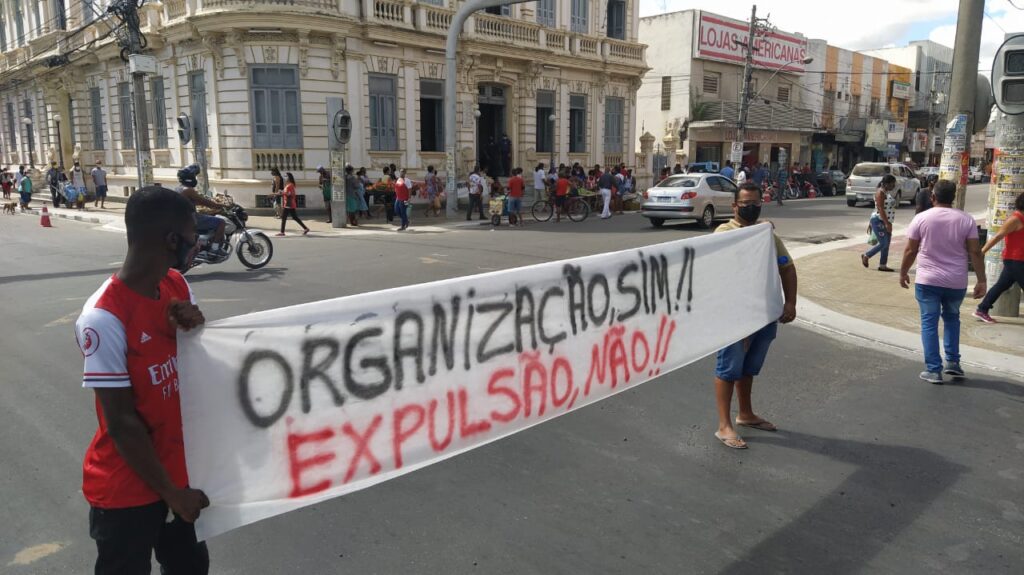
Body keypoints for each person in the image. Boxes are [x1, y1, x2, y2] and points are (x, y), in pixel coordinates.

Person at [75, 186, 210, 575]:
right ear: (171, 240)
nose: (196, 244)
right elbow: (121, 423)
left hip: (178, 477)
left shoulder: (175, 286)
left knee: (189, 568)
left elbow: (195, 364)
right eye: (191, 235)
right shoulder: (103, 318)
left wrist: (194, 325)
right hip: (127, 491)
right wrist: (171, 494)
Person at [712, 181, 798, 449]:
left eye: (755, 203)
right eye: (745, 203)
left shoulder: (768, 236)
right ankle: (723, 425)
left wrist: (790, 302)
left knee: (749, 367)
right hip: (734, 316)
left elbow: (787, 267)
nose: (751, 208)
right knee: (728, 367)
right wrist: (761, 231)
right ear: (735, 206)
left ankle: (745, 414)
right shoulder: (724, 232)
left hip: (764, 313)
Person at [899, 180, 986, 384]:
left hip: (928, 281)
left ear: (933, 197)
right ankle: (953, 363)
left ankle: (933, 369)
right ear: (953, 197)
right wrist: (982, 280)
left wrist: (903, 272)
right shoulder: (966, 220)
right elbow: (975, 251)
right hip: (956, 282)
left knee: (929, 323)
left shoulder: (922, 218)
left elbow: (910, 250)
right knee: (952, 319)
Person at [974, 191, 1024, 324]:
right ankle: (982, 309)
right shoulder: (1015, 219)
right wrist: (982, 252)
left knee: (1001, 286)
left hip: (1018, 260)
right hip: (1015, 260)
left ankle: (982, 309)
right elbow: (998, 236)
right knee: (1001, 285)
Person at [176, 165, 228, 255]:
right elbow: (204, 201)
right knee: (221, 222)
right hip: (191, 219)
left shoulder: (179, 189)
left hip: (182, 218)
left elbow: (194, 202)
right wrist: (220, 205)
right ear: (190, 178)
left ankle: (204, 244)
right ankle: (215, 248)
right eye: (194, 176)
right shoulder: (189, 190)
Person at [861, 174, 898, 272]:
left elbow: (877, 208)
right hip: (880, 221)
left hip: (886, 220)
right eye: (892, 184)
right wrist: (887, 223)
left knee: (887, 244)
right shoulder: (880, 193)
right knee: (883, 243)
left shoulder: (886, 192)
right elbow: (880, 209)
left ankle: (883, 265)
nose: (893, 186)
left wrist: (889, 222)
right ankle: (866, 255)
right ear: (886, 184)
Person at [276, 172, 310, 236]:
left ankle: (282, 232)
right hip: (289, 204)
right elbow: (286, 192)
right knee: (295, 217)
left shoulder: (290, 185)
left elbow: (290, 194)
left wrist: (282, 193)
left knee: (284, 218)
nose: (284, 177)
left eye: (286, 176)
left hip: (289, 204)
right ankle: (306, 228)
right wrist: (281, 192)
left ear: (289, 177)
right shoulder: (288, 185)